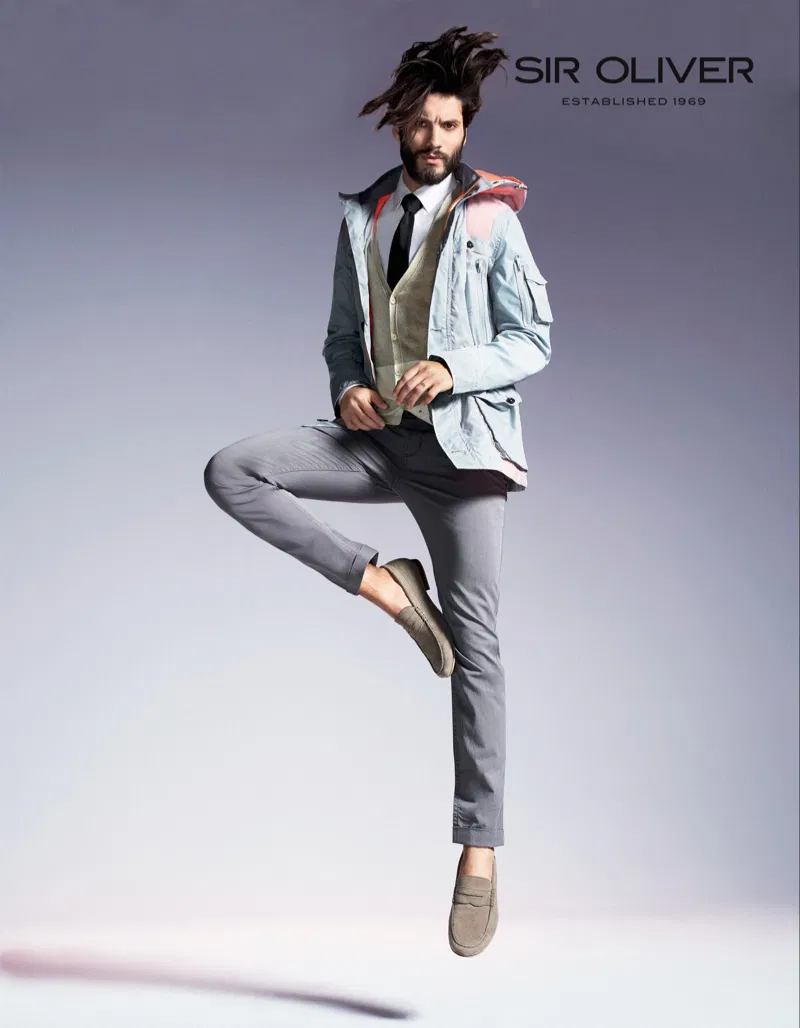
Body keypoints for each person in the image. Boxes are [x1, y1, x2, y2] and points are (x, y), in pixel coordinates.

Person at [204, 25, 554, 957]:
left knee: (477, 648)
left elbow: (533, 339)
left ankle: (479, 849)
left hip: (463, 458)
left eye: (449, 125)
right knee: (233, 470)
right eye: (421, 124)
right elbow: (338, 339)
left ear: (465, 126)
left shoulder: (492, 219)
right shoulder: (362, 218)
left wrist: (456, 366)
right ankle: (387, 587)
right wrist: (347, 388)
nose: (435, 139)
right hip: (377, 444)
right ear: (399, 126)